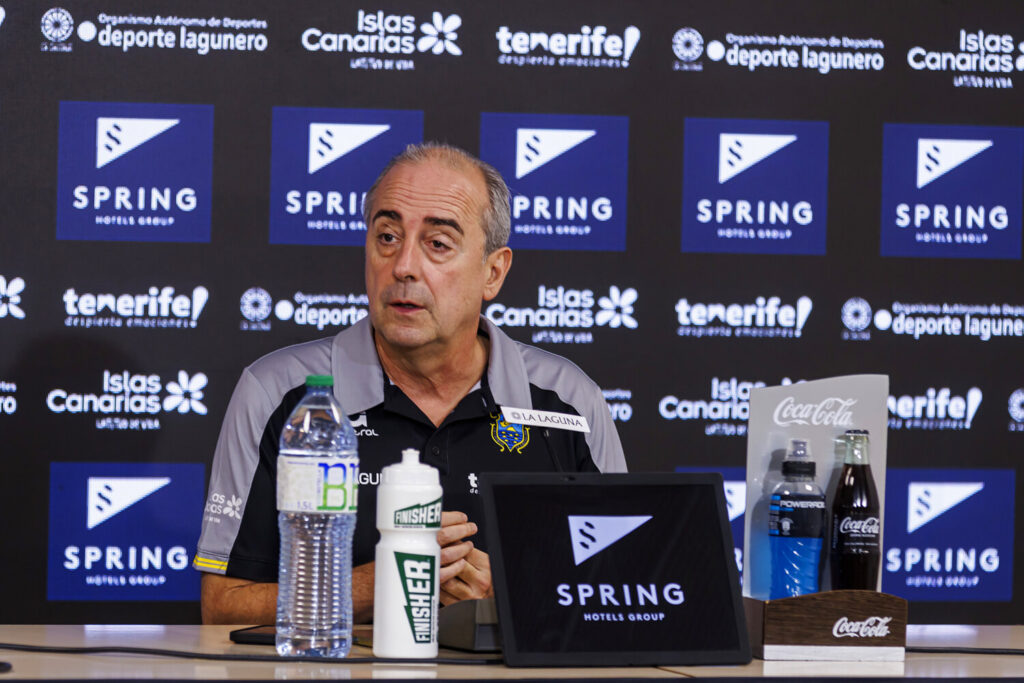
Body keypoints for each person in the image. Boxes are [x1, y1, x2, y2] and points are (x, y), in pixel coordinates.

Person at [195, 142, 627, 624]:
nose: (402, 266)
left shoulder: (570, 402)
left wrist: (505, 604)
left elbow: (625, 597)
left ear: (493, 272)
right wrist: (366, 588)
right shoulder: (278, 394)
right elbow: (222, 606)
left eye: (437, 244)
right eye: (387, 237)